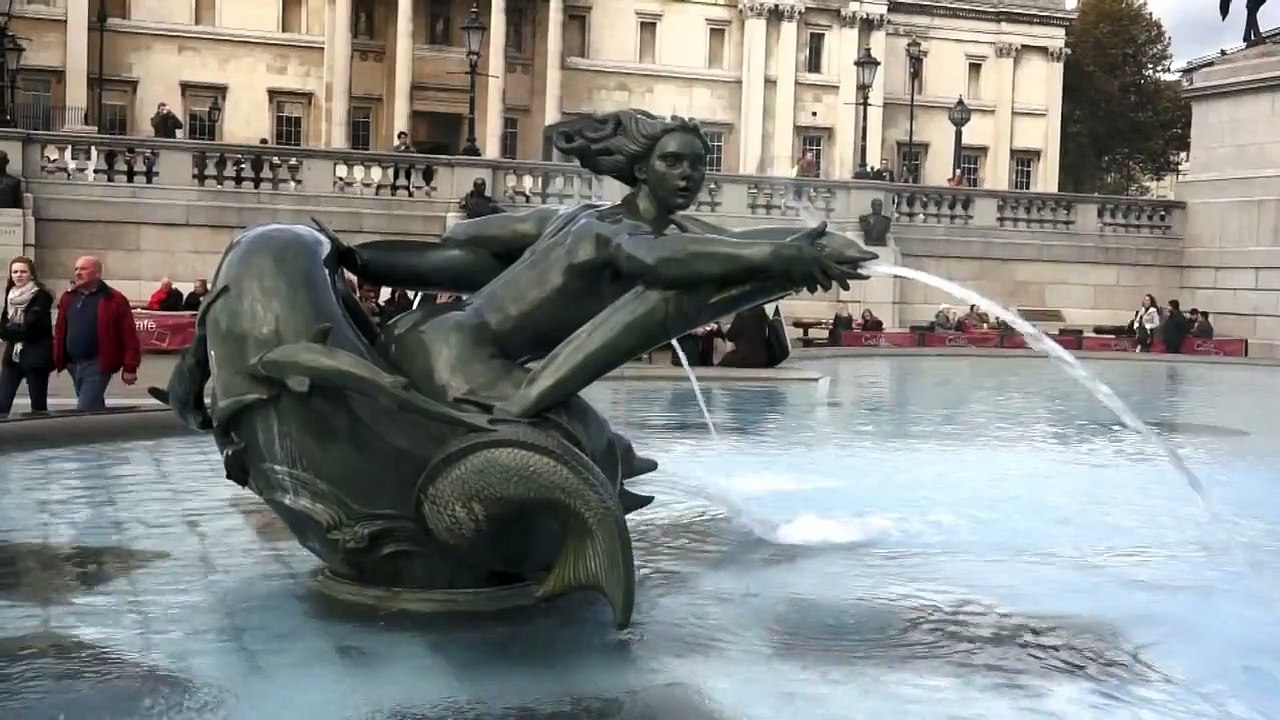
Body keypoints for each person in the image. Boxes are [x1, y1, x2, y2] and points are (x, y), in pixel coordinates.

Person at [332, 109, 872, 484]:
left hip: (430, 335)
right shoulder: (611, 234)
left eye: (696, 163)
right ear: (641, 169)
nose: (688, 174)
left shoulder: (573, 219)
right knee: (595, 451)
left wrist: (360, 257)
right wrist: (782, 259)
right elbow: (665, 261)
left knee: (607, 450)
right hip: (460, 361)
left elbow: (465, 245)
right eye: (672, 163)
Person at [52, 256, 141, 411]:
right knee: (93, 407)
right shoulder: (68, 297)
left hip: (98, 362)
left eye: (84, 269)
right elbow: (60, 330)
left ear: (98, 273)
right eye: (76, 269)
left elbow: (128, 335)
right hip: (73, 363)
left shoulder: (114, 299)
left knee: (85, 408)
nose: (78, 273)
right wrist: (58, 357)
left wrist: (130, 367)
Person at [0, 256, 54, 416]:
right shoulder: (10, 295)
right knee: (2, 402)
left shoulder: (41, 296)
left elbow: (31, 330)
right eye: (15, 272)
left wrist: (8, 331)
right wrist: (9, 330)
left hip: (35, 357)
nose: (18, 275)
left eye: (23, 272)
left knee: (38, 407)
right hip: (13, 358)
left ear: (32, 274)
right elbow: (4, 323)